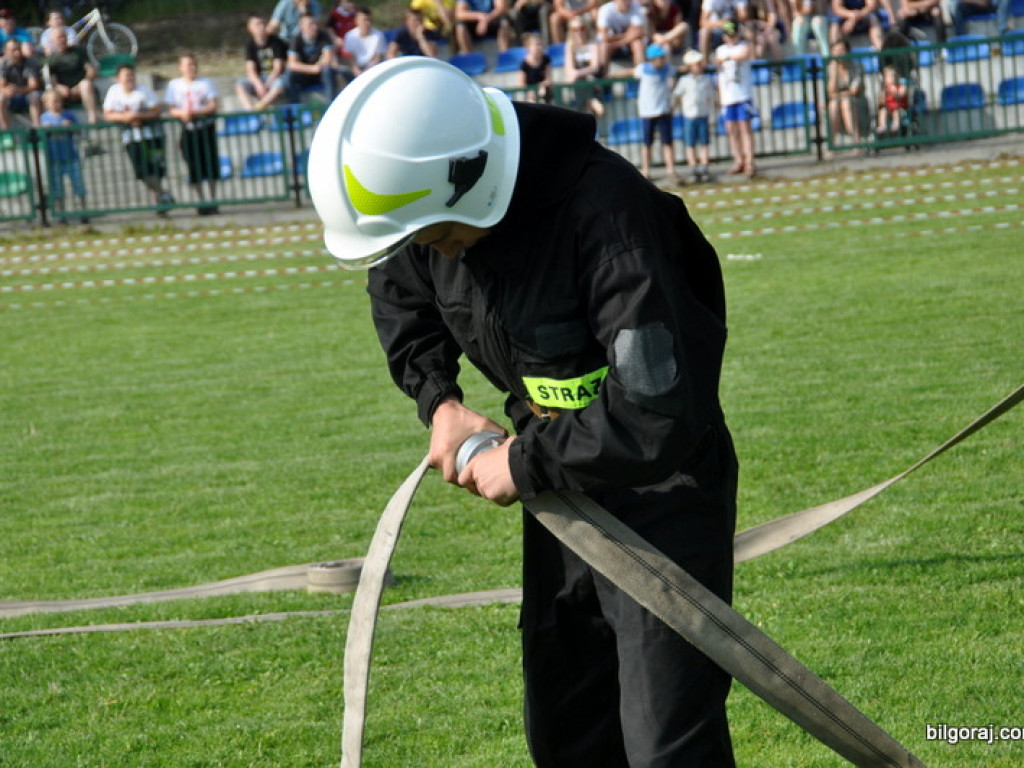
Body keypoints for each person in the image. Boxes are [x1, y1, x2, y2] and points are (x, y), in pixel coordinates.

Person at [307, 55, 739, 768]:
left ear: (472, 182)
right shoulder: (436, 215)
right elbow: (400, 299)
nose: (431, 252)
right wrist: (439, 401)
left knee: (667, 743)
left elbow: (656, 411)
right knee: (568, 732)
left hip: (663, 494)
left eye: (436, 236)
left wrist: (524, 461)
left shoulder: (610, 219)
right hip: (560, 496)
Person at [102, 62, 174, 213]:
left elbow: (156, 110)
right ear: (118, 78)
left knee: (155, 170)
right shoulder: (114, 92)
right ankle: (163, 194)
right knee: (141, 172)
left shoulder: (144, 91)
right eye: (126, 75)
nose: (130, 78)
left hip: (152, 136)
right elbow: (108, 114)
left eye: (132, 75)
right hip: (131, 138)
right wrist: (126, 118)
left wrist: (139, 116)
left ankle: (158, 203)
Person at [165, 53, 220, 216]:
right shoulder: (175, 85)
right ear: (180, 68)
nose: (191, 68)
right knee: (193, 166)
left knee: (210, 165)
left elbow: (213, 104)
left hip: (205, 128)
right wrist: (183, 114)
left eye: (193, 64)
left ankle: (213, 199)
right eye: (187, 65)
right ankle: (201, 200)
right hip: (188, 130)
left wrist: (196, 112)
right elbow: (171, 108)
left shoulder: (205, 83)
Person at [715, 18, 757, 177]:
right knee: (732, 130)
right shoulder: (720, 50)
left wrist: (728, 57)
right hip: (727, 96)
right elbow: (718, 65)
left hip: (742, 95)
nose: (730, 37)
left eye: (733, 34)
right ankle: (738, 160)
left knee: (745, 129)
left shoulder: (743, 46)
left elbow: (743, 54)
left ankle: (750, 161)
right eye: (728, 34)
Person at [633, 43, 679, 183]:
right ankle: (646, 170)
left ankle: (671, 170)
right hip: (647, 112)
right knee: (647, 143)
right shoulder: (643, 69)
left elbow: (675, 73)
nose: (662, 60)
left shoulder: (668, 69)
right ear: (652, 59)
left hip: (663, 110)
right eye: (660, 57)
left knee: (667, 142)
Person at [39, 89, 87, 222]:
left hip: (71, 157)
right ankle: (61, 214)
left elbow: (78, 130)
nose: (56, 104)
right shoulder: (44, 118)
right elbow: (39, 135)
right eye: (53, 102)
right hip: (54, 159)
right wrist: (44, 130)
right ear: (46, 103)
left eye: (59, 101)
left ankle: (84, 211)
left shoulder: (69, 115)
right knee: (58, 189)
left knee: (78, 186)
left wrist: (70, 127)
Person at [673, 48, 714, 182]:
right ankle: (693, 168)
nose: (699, 66)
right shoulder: (685, 80)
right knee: (690, 144)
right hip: (689, 116)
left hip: (703, 115)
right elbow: (677, 95)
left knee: (704, 143)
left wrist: (712, 114)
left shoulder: (706, 80)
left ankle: (704, 167)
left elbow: (710, 98)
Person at [43, 28, 99, 125]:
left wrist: (79, 86)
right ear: (52, 41)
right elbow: (50, 79)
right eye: (59, 37)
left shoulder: (78, 52)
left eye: (64, 37)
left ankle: (92, 119)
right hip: (64, 92)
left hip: (81, 89)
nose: (62, 40)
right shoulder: (51, 59)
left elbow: (91, 71)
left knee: (86, 84)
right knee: (51, 94)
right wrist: (58, 87)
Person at [236, 13, 289, 111]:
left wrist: (267, 85)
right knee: (240, 84)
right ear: (250, 28)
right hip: (260, 78)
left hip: (274, 78)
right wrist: (258, 85)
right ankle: (249, 111)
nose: (261, 27)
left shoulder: (276, 42)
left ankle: (259, 107)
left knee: (280, 84)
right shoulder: (250, 44)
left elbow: (278, 68)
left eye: (262, 24)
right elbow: (250, 70)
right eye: (257, 25)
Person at [825, 37, 867, 152]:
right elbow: (830, 92)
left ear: (848, 52)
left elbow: (854, 91)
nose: (839, 53)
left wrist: (838, 96)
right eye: (836, 50)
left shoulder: (856, 67)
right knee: (834, 105)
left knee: (846, 102)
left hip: (857, 101)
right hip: (839, 101)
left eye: (842, 50)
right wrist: (834, 73)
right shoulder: (829, 68)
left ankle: (856, 142)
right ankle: (831, 146)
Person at [286, 12, 339, 103]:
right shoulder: (295, 39)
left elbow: (328, 58)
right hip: (304, 73)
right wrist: (312, 69)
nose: (314, 27)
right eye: (310, 24)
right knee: (288, 76)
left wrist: (319, 65)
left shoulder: (324, 36)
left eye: (315, 23)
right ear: (302, 26)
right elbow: (292, 64)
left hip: (320, 73)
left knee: (328, 70)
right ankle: (296, 108)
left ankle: (331, 104)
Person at [564, 15, 605, 115]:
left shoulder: (593, 43)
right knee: (580, 81)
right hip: (580, 82)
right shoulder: (570, 46)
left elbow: (595, 67)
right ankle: (591, 101)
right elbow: (569, 69)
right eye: (575, 29)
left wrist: (578, 73)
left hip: (593, 79)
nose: (579, 32)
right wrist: (577, 74)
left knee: (585, 79)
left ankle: (590, 102)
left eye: (582, 28)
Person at [0, 38, 42, 129]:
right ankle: (6, 131)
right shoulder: (2, 64)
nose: (17, 52)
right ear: (6, 51)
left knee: (34, 96)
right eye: (13, 50)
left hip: (26, 95)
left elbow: (34, 85)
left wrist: (18, 90)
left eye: (18, 49)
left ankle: (38, 128)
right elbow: (1, 85)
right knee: (0, 98)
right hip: (10, 96)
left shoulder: (29, 62)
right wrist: (7, 90)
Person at [596, 0, 647, 66]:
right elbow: (604, 36)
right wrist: (627, 35)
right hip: (612, 44)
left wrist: (620, 43)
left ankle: (641, 70)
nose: (627, 3)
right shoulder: (605, 10)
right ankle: (601, 73)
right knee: (604, 46)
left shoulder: (636, 7)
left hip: (626, 43)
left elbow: (638, 32)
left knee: (637, 44)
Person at [342, 6, 387, 76]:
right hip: (355, 68)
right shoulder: (350, 36)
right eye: (364, 20)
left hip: (373, 68)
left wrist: (366, 71)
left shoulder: (378, 36)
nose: (367, 23)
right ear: (357, 21)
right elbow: (350, 57)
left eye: (369, 20)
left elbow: (378, 57)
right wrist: (356, 70)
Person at [880, 0, 946, 43]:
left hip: (927, 12)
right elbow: (905, 6)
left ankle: (942, 48)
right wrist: (922, 6)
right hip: (914, 13)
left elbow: (934, 2)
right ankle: (903, 47)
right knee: (902, 16)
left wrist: (916, 8)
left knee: (936, 12)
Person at [876, 61, 908, 136]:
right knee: (882, 111)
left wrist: (895, 92)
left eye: (891, 76)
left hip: (899, 108)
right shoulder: (884, 88)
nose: (889, 79)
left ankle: (896, 125)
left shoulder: (900, 86)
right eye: (887, 77)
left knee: (895, 111)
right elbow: (881, 100)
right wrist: (882, 96)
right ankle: (882, 126)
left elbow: (902, 94)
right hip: (888, 108)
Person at [518, 32, 553, 102]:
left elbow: (549, 79)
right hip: (530, 93)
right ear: (529, 47)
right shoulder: (524, 64)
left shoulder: (546, 59)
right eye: (536, 45)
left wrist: (542, 86)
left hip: (544, 90)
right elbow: (521, 84)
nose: (539, 47)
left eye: (540, 45)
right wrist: (532, 92)